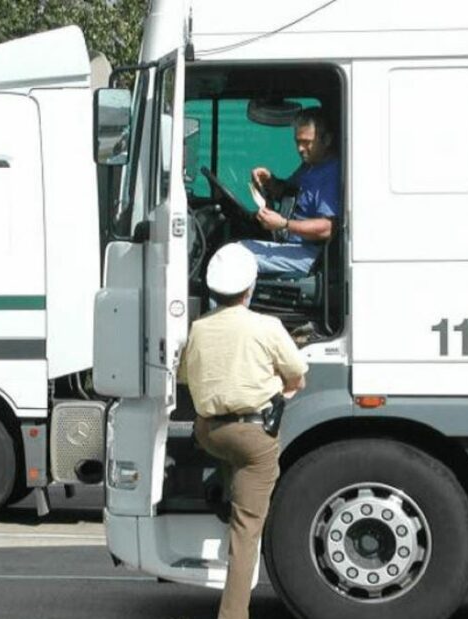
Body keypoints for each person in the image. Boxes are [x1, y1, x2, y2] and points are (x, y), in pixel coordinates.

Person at [177, 242, 309, 619]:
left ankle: (224, 490)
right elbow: (297, 374)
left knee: (231, 457)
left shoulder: (198, 329)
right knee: (246, 529)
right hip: (254, 437)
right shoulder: (268, 326)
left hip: (211, 433)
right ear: (251, 288)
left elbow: (186, 376)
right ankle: (233, 614)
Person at [242, 106, 340, 275]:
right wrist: (270, 181)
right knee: (237, 249)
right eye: (298, 142)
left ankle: (234, 303)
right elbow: (288, 193)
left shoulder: (331, 174)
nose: (300, 149)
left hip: (311, 254)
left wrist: (284, 224)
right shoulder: (309, 167)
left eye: (306, 142)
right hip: (292, 244)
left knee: (235, 257)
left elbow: (328, 228)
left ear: (326, 140)